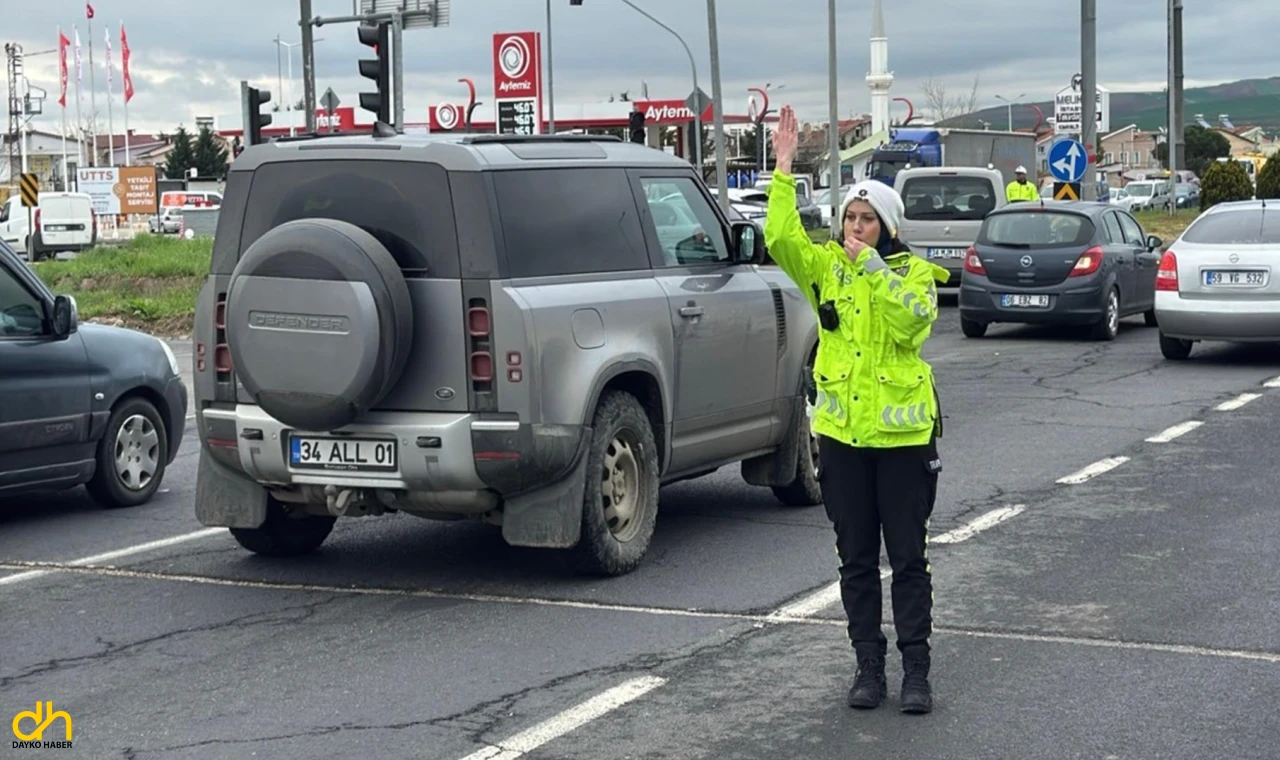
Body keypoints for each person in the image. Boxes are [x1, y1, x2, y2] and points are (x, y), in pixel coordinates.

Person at [763, 105, 949, 715]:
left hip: (902, 444)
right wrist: (784, 169)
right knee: (856, 561)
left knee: (909, 559)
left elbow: (914, 323)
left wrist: (873, 271)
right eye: (851, 217)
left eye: (869, 219)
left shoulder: (914, 273)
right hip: (842, 442)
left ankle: (916, 671)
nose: (857, 226)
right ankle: (868, 667)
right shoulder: (825, 272)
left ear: (887, 227)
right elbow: (781, 238)